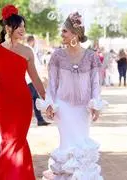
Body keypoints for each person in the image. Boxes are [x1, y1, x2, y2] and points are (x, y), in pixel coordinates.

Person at [38, 12, 105, 180]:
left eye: (64, 31)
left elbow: (96, 83)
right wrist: (50, 104)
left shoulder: (91, 57)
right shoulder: (57, 56)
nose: (62, 35)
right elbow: (52, 84)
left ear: (76, 34)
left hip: (83, 108)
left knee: (82, 144)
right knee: (67, 145)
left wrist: (96, 105)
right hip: (64, 107)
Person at [0, 4, 45, 180]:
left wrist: (47, 99)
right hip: (3, 103)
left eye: (24, 27)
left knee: (17, 141)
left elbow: (35, 79)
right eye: (19, 27)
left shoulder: (27, 51)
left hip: (23, 102)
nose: (23, 30)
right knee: (9, 141)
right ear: (8, 27)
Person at [25, 35, 51, 126]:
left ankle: (40, 119)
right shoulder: (29, 50)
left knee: (35, 99)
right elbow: (35, 65)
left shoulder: (27, 49)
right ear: (32, 41)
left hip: (30, 78)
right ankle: (37, 119)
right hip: (30, 79)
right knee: (31, 99)